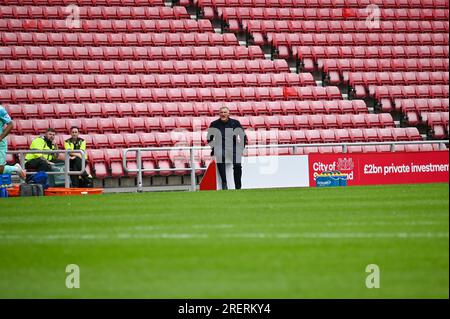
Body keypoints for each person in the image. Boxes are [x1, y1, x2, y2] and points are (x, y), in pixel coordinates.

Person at [207, 106, 247, 190]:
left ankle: (238, 186)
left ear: (229, 113)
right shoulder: (214, 124)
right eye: (221, 112)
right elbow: (209, 138)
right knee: (220, 157)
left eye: (225, 112)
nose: (223, 114)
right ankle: (224, 183)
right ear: (219, 114)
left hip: (233, 147)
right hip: (220, 147)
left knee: (238, 165)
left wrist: (241, 148)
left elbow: (243, 136)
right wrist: (214, 148)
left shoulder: (235, 123)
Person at [0, 104, 26, 179]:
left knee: (0, 169)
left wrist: (1, 137)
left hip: (0, 143)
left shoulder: (0, 110)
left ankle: (16, 168)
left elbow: (10, 125)